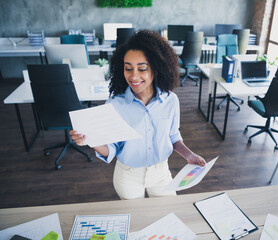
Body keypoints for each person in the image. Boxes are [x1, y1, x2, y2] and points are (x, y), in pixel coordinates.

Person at [70, 30, 206, 200]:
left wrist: (189, 155)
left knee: (168, 214)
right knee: (137, 222)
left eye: (142, 69)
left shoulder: (170, 101)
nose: (133, 76)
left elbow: (172, 136)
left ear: (156, 69)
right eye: (128, 68)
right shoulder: (115, 105)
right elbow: (112, 149)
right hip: (128, 176)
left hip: (161, 173)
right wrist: (91, 141)